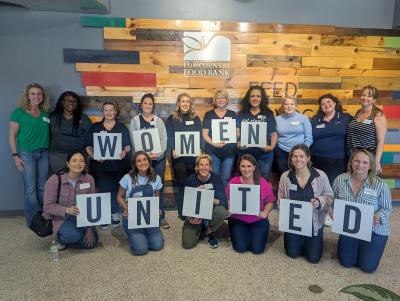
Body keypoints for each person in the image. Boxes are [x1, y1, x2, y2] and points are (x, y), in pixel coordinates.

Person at [332, 149, 392, 273]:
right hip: (349, 229)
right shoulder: (339, 180)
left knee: (367, 267)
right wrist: (331, 210)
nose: (360, 165)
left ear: (370, 165)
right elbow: (333, 201)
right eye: (357, 161)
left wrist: (379, 216)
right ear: (351, 162)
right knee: (346, 262)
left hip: (374, 231)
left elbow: (387, 208)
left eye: (365, 162)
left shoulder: (380, 185)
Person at [278, 144, 333, 263]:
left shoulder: (320, 176)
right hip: (293, 224)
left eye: (302, 156)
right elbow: (280, 200)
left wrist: (319, 201)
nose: (298, 159)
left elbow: (330, 197)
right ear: (291, 158)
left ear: (308, 158)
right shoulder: (285, 177)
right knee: (292, 253)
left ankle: (309, 241)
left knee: (313, 258)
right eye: (295, 156)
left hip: (314, 223)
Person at [9, 83, 50, 226]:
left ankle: (41, 216)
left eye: (39, 94)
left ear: (43, 96)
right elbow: (12, 136)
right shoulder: (18, 113)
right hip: (27, 155)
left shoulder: (46, 114)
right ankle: (33, 220)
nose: (36, 96)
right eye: (33, 93)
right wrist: (15, 156)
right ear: (27, 95)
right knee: (30, 188)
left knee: (42, 187)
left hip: (44, 153)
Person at [85, 102, 131, 229]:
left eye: (111, 110)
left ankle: (115, 214)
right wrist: (94, 156)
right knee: (104, 190)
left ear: (115, 112)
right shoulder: (95, 127)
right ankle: (104, 216)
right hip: (101, 166)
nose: (109, 112)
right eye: (106, 110)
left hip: (119, 165)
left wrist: (124, 152)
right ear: (103, 112)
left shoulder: (122, 128)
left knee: (117, 191)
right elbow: (88, 146)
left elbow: (127, 145)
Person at [43, 150, 99, 250]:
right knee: (73, 236)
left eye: (81, 161)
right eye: (74, 161)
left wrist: (89, 229)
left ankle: (74, 237)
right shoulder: (55, 180)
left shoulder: (89, 179)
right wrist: (67, 210)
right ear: (67, 163)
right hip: (60, 218)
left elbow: (92, 204)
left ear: (85, 164)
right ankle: (60, 239)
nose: (78, 164)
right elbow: (48, 206)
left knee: (92, 242)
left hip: (82, 217)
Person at [130, 93, 169, 229]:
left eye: (150, 104)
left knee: (158, 187)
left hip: (158, 160)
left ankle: (161, 215)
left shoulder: (159, 121)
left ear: (153, 106)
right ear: (141, 105)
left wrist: (158, 154)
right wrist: (144, 157)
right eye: (145, 103)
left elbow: (164, 139)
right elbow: (134, 140)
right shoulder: (135, 120)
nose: (147, 106)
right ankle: (144, 215)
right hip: (142, 161)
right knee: (142, 187)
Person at [226, 154, 276, 254]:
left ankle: (252, 233)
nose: (246, 169)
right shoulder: (233, 182)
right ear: (239, 167)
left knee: (257, 249)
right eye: (243, 166)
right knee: (241, 248)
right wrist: (229, 210)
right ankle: (237, 233)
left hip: (258, 220)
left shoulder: (262, 182)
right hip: (238, 219)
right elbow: (228, 199)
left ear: (254, 167)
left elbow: (270, 201)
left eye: (249, 166)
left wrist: (265, 213)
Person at [117, 151, 164, 256]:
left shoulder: (157, 178)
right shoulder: (127, 178)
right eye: (139, 161)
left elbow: (157, 199)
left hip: (149, 218)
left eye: (145, 159)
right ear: (134, 164)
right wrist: (126, 208)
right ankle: (133, 234)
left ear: (149, 161)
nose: (142, 163)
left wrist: (158, 211)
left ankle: (146, 234)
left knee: (157, 245)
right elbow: (119, 197)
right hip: (132, 218)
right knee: (141, 250)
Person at [166, 93, 203, 219]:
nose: (185, 104)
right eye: (183, 101)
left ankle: (193, 209)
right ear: (178, 103)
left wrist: (200, 148)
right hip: (179, 158)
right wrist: (172, 149)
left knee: (193, 182)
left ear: (190, 104)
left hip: (193, 158)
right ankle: (183, 211)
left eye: (188, 101)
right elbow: (169, 136)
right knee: (182, 183)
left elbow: (200, 136)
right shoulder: (172, 119)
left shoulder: (196, 119)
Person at [181, 155, 228, 249]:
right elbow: (183, 202)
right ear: (196, 167)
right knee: (187, 244)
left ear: (210, 167)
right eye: (201, 165)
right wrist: (189, 217)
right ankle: (201, 228)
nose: (204, 167)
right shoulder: (190, 180)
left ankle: (209, 231)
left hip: (211, 211)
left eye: (207, 165)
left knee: (221, 211)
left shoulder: (217, 179)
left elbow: (223, 203)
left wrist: (206, 196)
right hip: (195, 213)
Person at [236, 86, 277, 180]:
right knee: (244, 180)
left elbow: (273, 134)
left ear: (262, 98)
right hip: (245, 154)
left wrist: (271, 147)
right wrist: (238, 143)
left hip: (264, 155)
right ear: (248, 98)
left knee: (263, 180)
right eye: (252, 96)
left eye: (258, 96)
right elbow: (237, 132)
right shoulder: (242, 114)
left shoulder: (268, 113)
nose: (255, 99)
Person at [310, 94, 352, 184]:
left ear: (335, 103)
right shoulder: (315, 120)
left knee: (334, 186)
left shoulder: (346, 118)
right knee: (318, 186)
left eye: (328, 102)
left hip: (338, 161)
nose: (326, 105)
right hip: (316, 160)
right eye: (323, 104)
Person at [346, 85, 387, 174]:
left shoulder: (378, 115)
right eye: (363, 95)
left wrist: (376, 161)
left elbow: (381, 141)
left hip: (370, 156)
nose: (365, 98)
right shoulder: (358, 112)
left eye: (369, 96)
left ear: (374, 100)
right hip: (355, 156)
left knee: (369, 186)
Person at [49, 91, 92, 174]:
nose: (71, 103)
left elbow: (90, 138)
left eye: (74, 101)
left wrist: (88, 156)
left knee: (78, 183)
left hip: (78, 156)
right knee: (60, 183)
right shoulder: (53, 118)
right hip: (58, 156)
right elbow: (46, 136)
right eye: (68, 100)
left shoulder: (84, 119)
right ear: (62, 102)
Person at [202, 89, 237, 186]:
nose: (221, 100)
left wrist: (231, 138)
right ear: (215, 100)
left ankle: (223, 200)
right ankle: (215, 200)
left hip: (229, 152)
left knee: (226, 178)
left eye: (223, 97)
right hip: (213, 152)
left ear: (227, 100)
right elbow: (205, 134)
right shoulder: (209, 114)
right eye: (218, 98)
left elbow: (237, 132)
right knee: (214, 177)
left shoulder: (232, 114)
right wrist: (214, 143)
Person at [275, 97, 313, 175]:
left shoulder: (303, 118)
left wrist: (303, 151)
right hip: (282, 152)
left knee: (300, 175)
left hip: (300, 152)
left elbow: (308, 138)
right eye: (286, 104)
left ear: (296, 106)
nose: (289, 106)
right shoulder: (276, 119)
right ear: (283, 106)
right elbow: (274, 136)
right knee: (284, 175)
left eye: (292, 104)